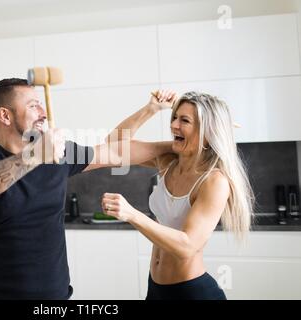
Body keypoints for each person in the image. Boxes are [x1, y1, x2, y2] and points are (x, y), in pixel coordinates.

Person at [0, 78, 174, 299]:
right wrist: (35, 155)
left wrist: (173, 140)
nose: (43, 112)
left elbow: (116, 152)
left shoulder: (60, 154)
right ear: (5, 115)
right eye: (33, 105)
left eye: (41, 104)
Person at [102, 91, 254, 300]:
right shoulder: (168, 161)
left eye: (184, 120)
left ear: (207, 132)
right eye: (174, 117)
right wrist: (151, 109)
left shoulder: (214, 181)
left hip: (191, 292)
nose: (173, 125)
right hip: (155, 289)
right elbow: (113, 146)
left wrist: (133, 215)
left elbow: (187, 246)